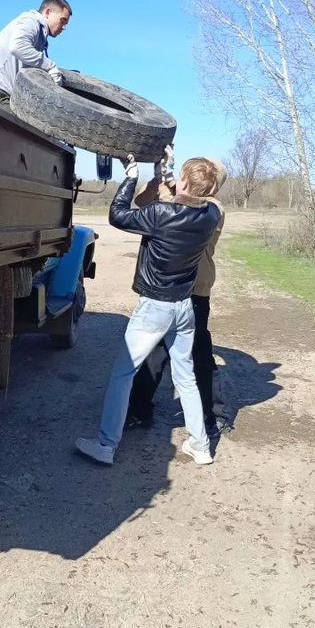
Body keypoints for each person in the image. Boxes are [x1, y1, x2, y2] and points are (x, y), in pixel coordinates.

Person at [76, 156, 222, 467]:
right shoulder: (209, 214)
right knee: (186, 379)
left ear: (184, 182)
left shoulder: (159, 214)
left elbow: (118, 215)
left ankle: (106, 444)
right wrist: (165, 175)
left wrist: (132, 177)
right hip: (184, 308)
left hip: (155, 306)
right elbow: (187, 197)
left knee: (121, 375)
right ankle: (201, 446)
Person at [125, 151, 230, 437]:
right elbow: (143, 205)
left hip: (194, 290)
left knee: (199, 355)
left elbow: (172, 212)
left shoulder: (213, 210)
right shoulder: (181, 199)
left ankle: (213, 415)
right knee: (153, 354)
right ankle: (138, 410)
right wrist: (160, 177)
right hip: (166, 289)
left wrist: (169, 187)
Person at [0, 0, 72, 113]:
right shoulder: (31, 21)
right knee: (14, 128)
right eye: (62, 20)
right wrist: (50, 66)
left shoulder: (41, 35)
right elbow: (18, 46)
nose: (64, 27)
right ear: (47, 12)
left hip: (4, 90)